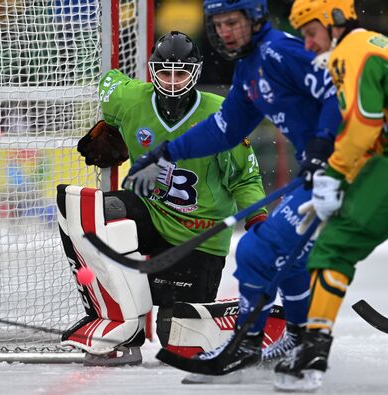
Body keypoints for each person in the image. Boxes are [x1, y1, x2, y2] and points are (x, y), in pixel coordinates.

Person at [122, 0, 343, 376]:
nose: (225, 32)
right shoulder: (249, 68)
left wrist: (325, 146)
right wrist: (166, 153)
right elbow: (224, 129)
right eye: (219, 24)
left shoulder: (281, 52)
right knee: (266, 251)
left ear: (255, 19)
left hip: (352, 169)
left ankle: (289, 341)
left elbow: (338, 90)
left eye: (233, 23)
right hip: (324, 171)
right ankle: (282, 339)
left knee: (269, 248)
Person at [58, 31, 268, 366]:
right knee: (90, 209)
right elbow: (108, 80)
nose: (172, 82)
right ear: (152, 71)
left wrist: (259, 221)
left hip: (199, 237)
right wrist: (112, 127)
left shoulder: (221, 116)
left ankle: (226, 324)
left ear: (195, 74)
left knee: (176, 343)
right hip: (151, 215)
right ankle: (116, 327)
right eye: (165, 73)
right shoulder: (129, 101)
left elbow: (246, 178)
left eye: (181, 73)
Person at [275, 0, 388, 391]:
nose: (307, 45)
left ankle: (313, 346)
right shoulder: (374, 44)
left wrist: (334, 175)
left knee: (333, 248)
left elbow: (363, 127)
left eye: (310, 32)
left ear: (335, 21)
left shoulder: (350, 51)